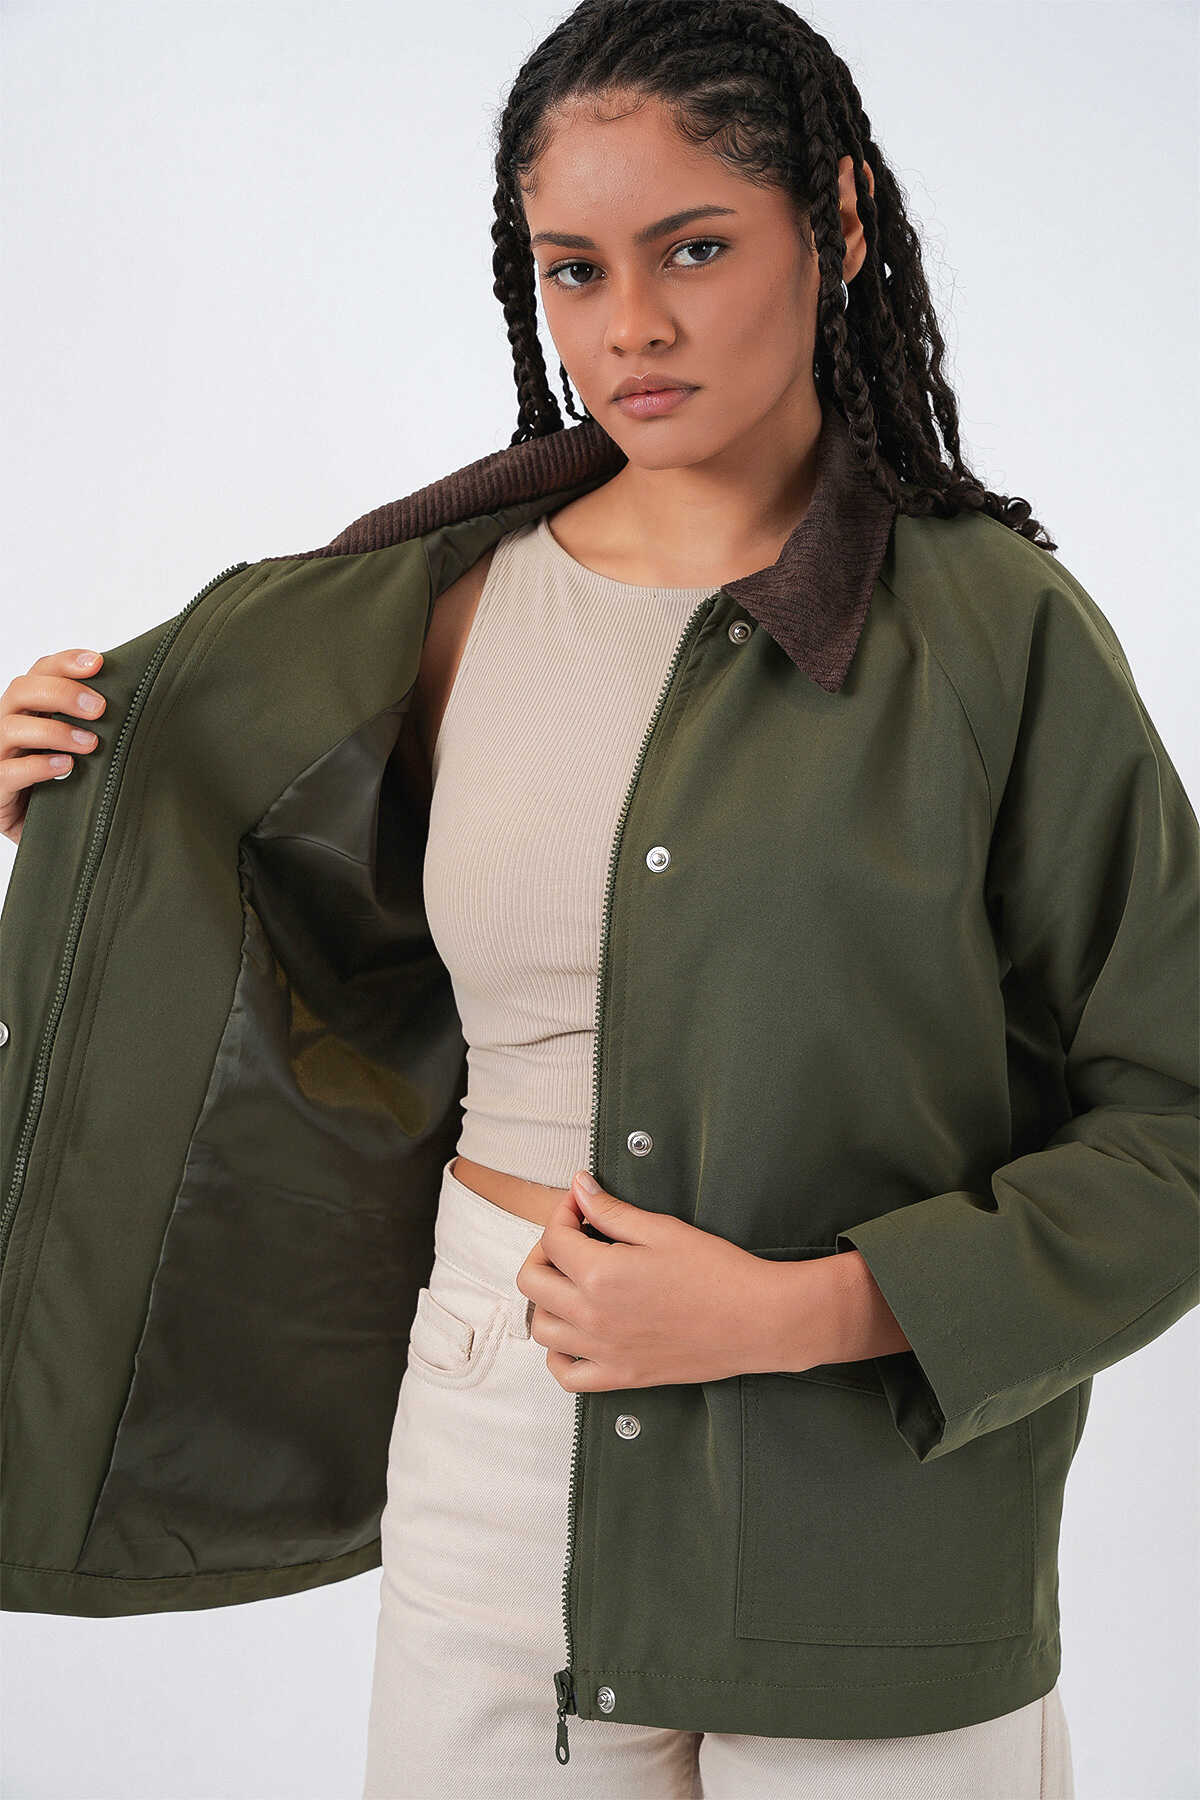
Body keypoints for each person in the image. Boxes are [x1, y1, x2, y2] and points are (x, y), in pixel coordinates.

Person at [2, 3, 1195, 1797]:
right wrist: (69, 793)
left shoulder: (997, 635)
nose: (628, 325)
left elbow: (1176, 1118)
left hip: (875, 1483)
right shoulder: (434, 608)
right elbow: (257, 930)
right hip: (500, 1426)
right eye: (574, 269)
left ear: (838, 223)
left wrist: (803, 1312)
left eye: (693, 248)